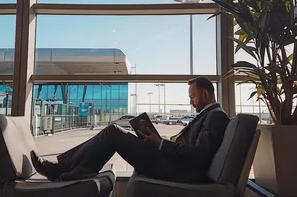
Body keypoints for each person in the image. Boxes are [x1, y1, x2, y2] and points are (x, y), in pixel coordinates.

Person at [31, 77, 229, 183]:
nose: (190, 101)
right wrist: (157, 140)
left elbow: (200, 156)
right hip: (172, 162)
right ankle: (78, 169)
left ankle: (64, 168)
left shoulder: (216, 117)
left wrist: (160, 143)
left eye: (192, 96)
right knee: (114, 133)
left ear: (204, 93)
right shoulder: (210, 115)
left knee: (113, 132)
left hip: (177, 170)